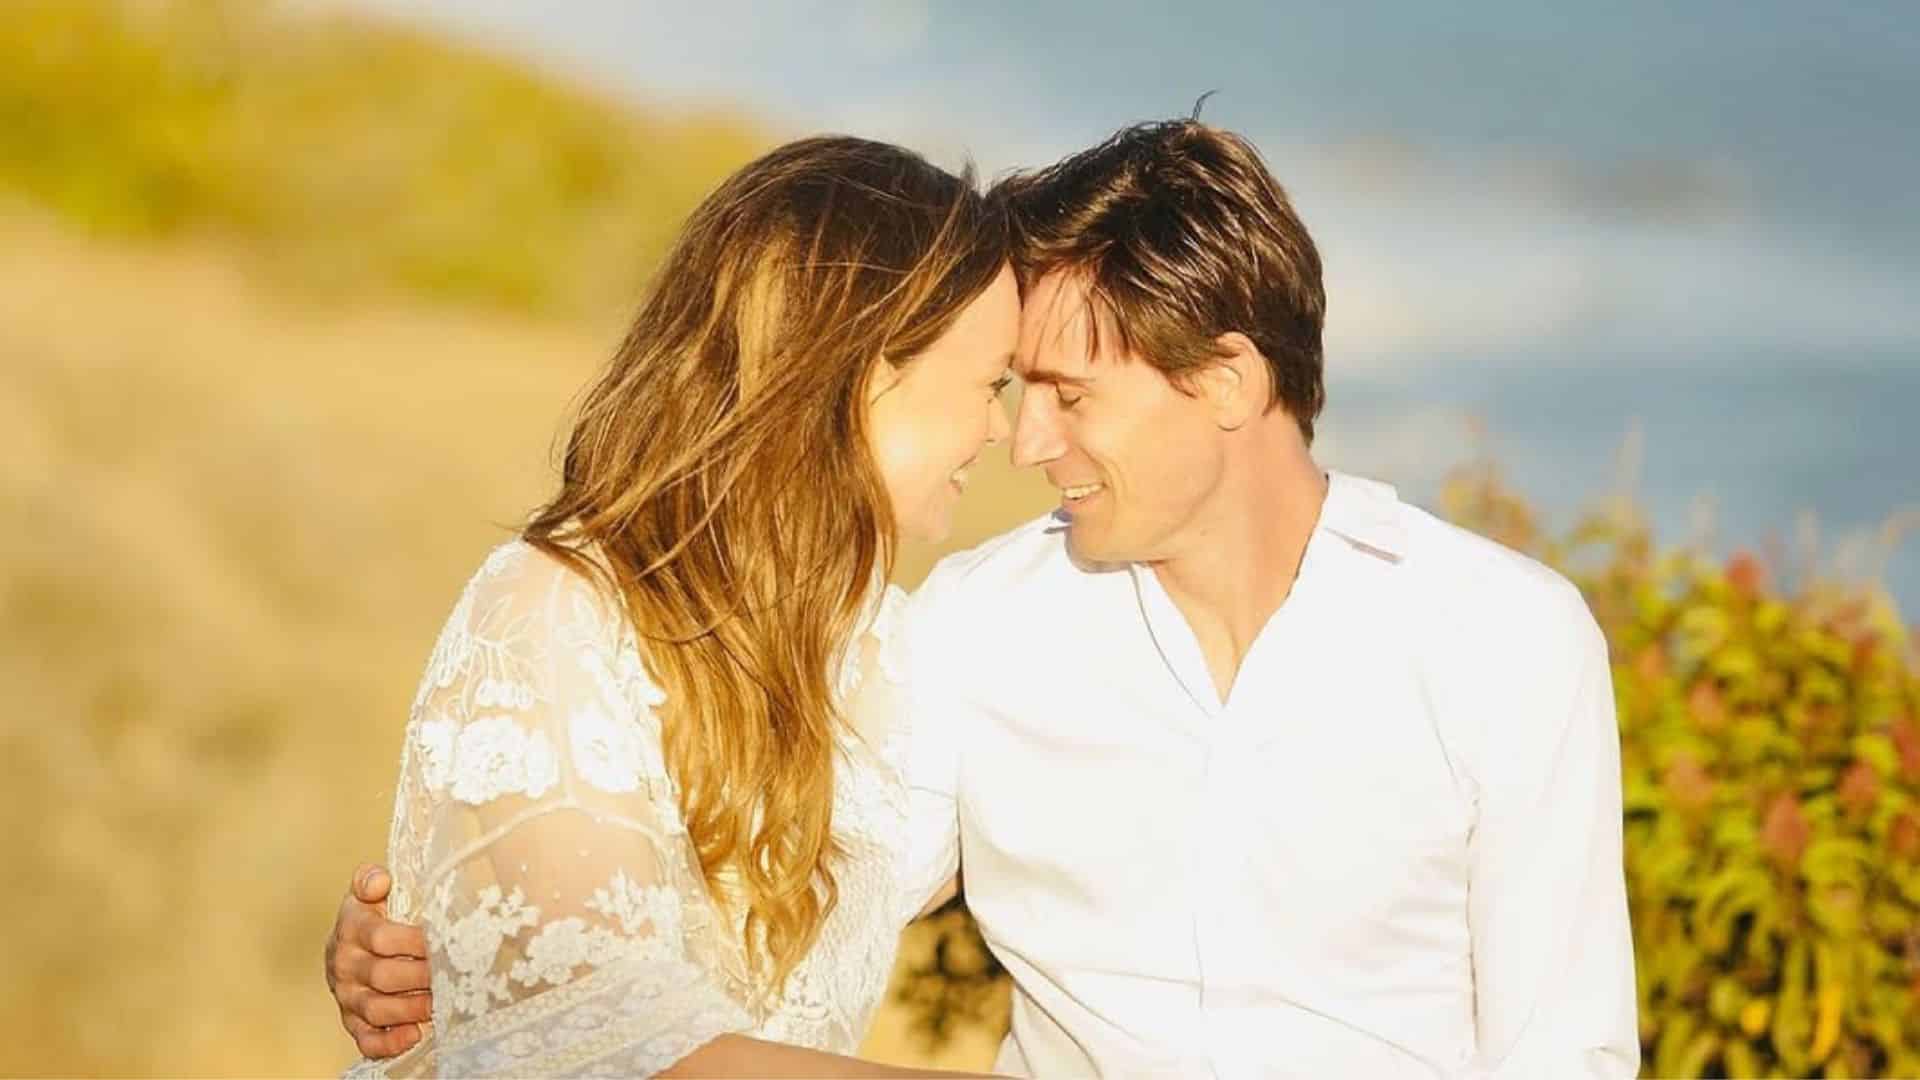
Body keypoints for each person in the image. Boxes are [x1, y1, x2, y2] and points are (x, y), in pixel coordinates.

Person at [331, 119, 1640, 1077]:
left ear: (1231, 382)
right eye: (1010, 387)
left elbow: (1566, 1056)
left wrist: (500, 965)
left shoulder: (1504, 642)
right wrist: (465, 945)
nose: (1024, 442)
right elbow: (687, 931)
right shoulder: (966, 633)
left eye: (1068, 394)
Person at [326, 134, 1022, 1077]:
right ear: (867, 370)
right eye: (991, 384)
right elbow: (624, 1045)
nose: (1005, 431)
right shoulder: (557, 613)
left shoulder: (894, 658)